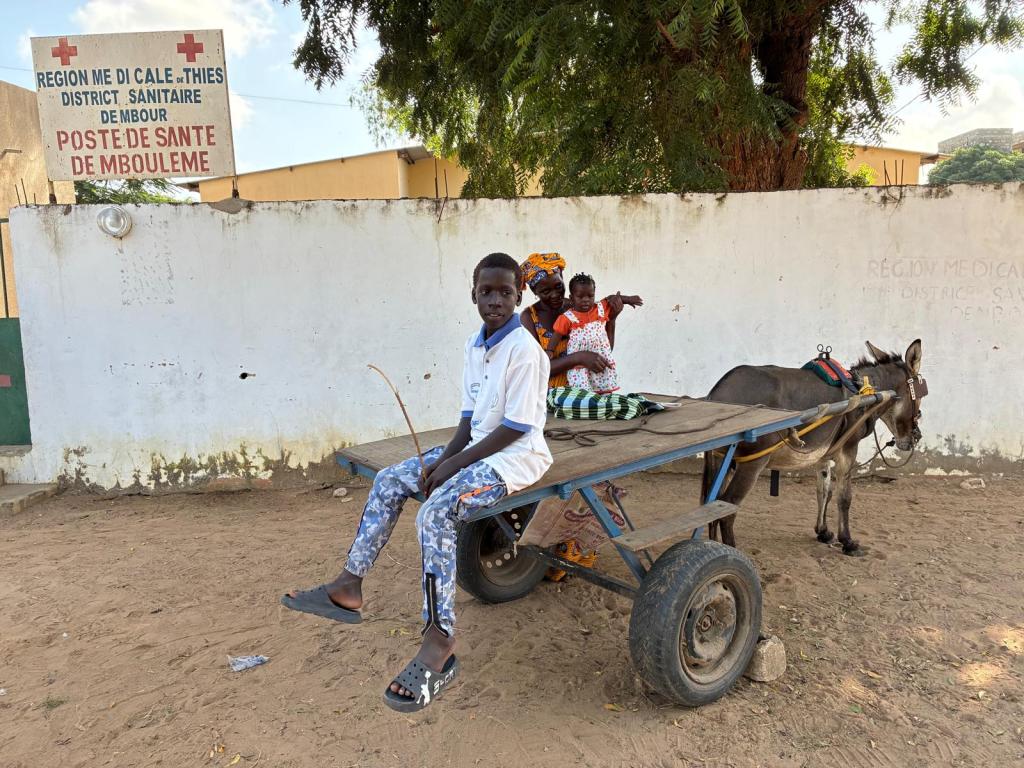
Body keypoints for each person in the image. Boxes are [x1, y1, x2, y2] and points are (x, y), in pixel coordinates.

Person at [282, 253, 552, 713]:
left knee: (435, 513)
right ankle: (347, 587)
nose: (495, 300)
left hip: (513, 459)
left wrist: (455, 466)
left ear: (518, 295)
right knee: (391, 480)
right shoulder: (475, 346)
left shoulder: (525, 351)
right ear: (473, 294)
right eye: (486, 291)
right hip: (477, 448)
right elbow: (468, 420)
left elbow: (516, 428)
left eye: (505, 292)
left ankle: (439, 639)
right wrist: (442, 461)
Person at [547, 272, 643, 394]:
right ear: (571, 298)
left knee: (604, 391)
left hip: (601, 361)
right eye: (580, 297)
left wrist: (628, 299)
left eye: (590, 296)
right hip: (580, 366)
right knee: (583, 394)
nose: (586, 300)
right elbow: (557, 334)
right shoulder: (567, 318)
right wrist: (550, 350)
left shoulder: (600, 309)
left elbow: (613, 298)